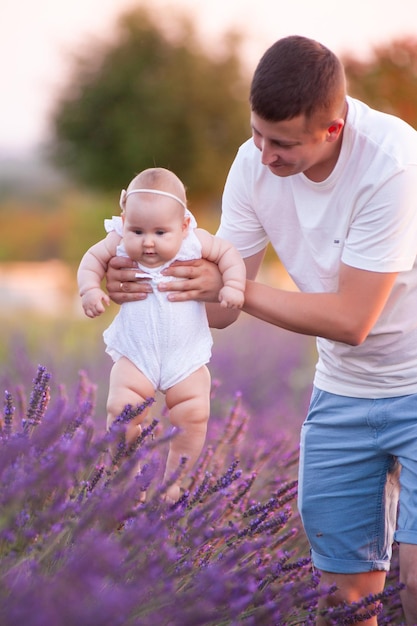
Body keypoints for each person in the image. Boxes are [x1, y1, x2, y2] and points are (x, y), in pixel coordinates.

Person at [105, 37, 417, 623]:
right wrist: (146, 279)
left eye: (283, 144)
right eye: (257, 134)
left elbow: (353, 320)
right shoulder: (253, 164)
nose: (264, 155)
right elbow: (221, 309)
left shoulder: (391, 161)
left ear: (332, 129)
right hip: (344, 391)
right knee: (345, 599)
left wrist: (231, 288)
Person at [77, 167, 245, 502]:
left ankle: (174, 482)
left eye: (160, 232)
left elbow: (229, 254)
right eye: (137, 230)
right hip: (136, 354)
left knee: (194, 414)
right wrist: (89, 291)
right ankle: (126, 479)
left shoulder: (195, 242)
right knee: (122, 411)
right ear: (124, 221)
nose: (147, 241)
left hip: (185, 356)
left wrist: (234, 286)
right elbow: (91, 260)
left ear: (183, 226)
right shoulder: (118, 241)